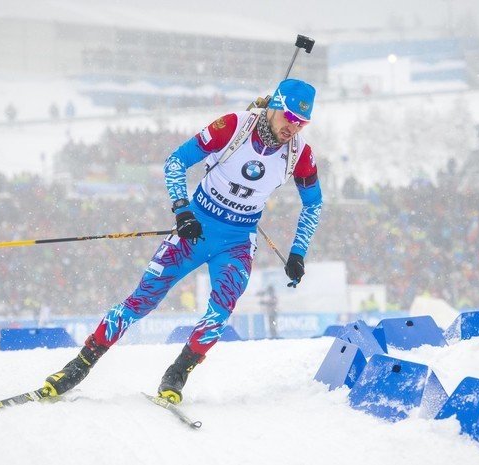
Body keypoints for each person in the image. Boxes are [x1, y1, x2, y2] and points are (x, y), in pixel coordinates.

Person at [41, 78, 322, 404]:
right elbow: (176, 161)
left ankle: (177, 374)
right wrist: (182, 211)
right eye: (290, 117)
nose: (294, 127)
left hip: (237, 242)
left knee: (220, 312)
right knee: (143, 299)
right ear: (275, 107)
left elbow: (314, 203)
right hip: (197, 229)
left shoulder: (300, 154)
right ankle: (81, 364)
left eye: (302, 123)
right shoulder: (233, 126)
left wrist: (298, 252)